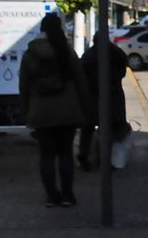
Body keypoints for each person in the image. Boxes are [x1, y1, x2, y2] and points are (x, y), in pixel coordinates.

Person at [19, 13, 90, 207]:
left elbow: (23, 86)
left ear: (41, 29)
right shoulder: (66, 51)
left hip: (40, 112)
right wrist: (84, 109)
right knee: (66, 153)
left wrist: (27, 113)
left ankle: (51, 196)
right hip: (67, 111)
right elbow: (81, 81)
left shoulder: (30, 54)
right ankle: (67, 195)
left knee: (46, 156)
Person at [77, 30, 131, 169]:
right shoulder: (116, 52)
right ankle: (107, 160)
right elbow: (123, 69)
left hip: (93, 97)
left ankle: (85, 158)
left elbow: (81, 75)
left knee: (88, 129)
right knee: (110, 129)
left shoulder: (89, 55)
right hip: (113, 97)